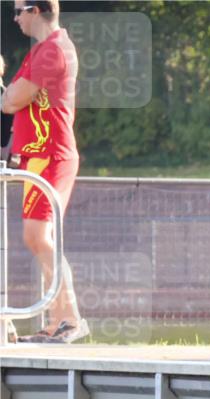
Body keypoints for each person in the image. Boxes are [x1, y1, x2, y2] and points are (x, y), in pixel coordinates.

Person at [1, 0, 87, 343]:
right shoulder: (43, 50)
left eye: (18, 11)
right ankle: (58, 322)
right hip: (40, 157)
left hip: (52, 156)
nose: (15, 18)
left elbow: (10, 101)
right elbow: (12, 98)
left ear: (35, 11)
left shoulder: (51, 50)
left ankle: (69, 319)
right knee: (38, 237)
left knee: (38, 237)